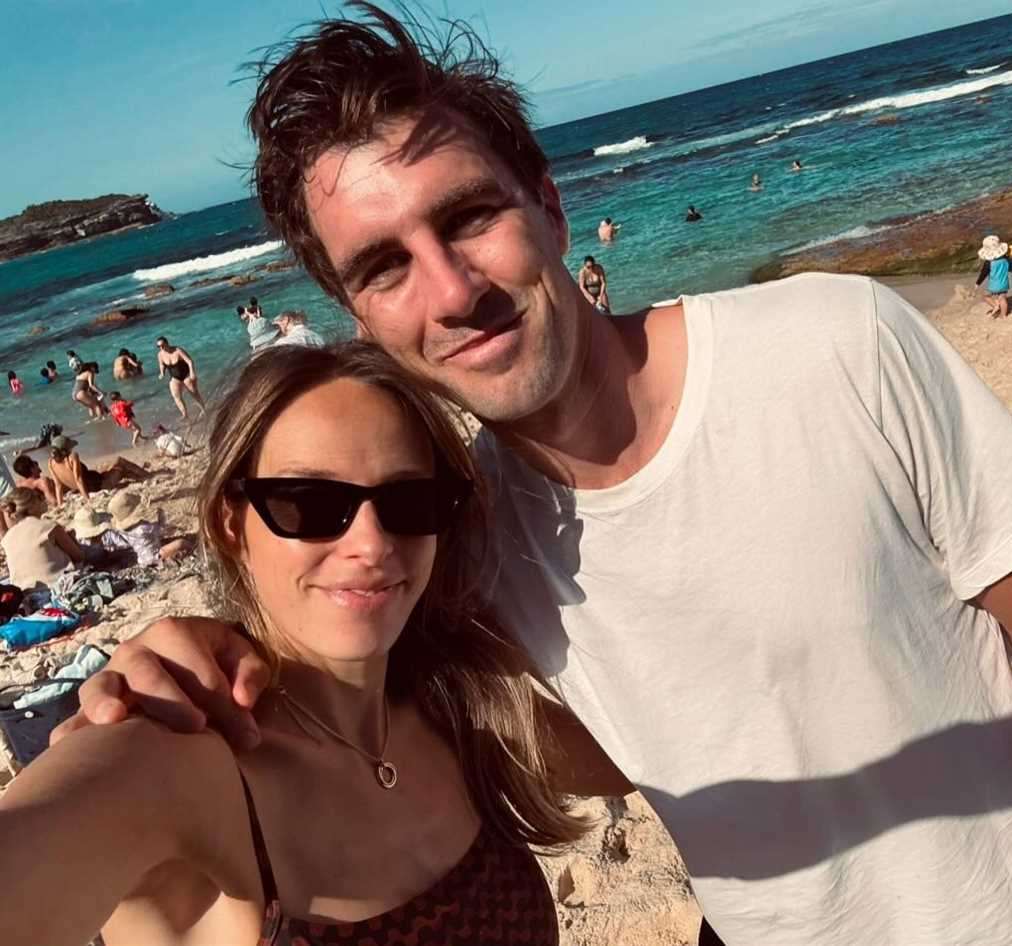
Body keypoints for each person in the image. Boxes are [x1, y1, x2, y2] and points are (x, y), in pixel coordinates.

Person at [64, 8, 1012, 945]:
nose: (449, 290)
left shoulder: (836, 342)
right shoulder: (453, 531)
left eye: (468, 216)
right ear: (360, 315)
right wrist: (216, 665)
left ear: (548, 204)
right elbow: (578, 740)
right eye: (384, 265)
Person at [0, 342, 590, 946]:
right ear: (231, 524)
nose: (373, 544)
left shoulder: (461, 712)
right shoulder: (185, 758)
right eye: (310, 503)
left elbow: (643, 760)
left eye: (409, 501)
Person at [0, 487, 85, 590]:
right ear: (31, 506)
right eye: (39, 497)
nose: (43, 499)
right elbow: (79, 556)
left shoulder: (8, 537)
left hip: (24, 592)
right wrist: (72, 539)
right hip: (55, 586)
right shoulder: (49, 526)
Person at [99, 489, 193, 567]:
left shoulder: (123, 530)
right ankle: (194, 546)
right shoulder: (143, 528)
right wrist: (161, 516)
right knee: (180, 542)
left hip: (142, 559)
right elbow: (162, 530)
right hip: (156, 556)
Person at [47, 435, 149, 501]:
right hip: (100, 485)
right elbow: (78, 479)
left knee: (110, 466)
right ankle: (148, 475)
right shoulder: (72, 457)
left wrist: (60, 505)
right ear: (66, 449)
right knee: (120, 461)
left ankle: (141, 477)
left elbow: (58, 485)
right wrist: (87, 500)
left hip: (91, 484)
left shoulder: (51, 463)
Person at [155, 336, 207, 420]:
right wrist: (162, 373)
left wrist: (192, 373)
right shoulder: (160, 355)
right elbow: (161, 364)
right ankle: (185, 415)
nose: (161, 348)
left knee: (194, 393)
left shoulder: (178, 351)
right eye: (159, 346)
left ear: (167, 343)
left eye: (163, 345)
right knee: (176, 396)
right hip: (175, 377)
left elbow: (189, 361)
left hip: (186, 375)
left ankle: (203, 409)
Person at [976, 234, 1012, 319]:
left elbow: (983, 273)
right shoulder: (1006, 260)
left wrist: (977, 283)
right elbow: (1011, 267)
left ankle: (995, 306)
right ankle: (1004, 315)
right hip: (1004, 284)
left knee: (985, 296)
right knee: (1002, 298)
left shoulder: (989, 263)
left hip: (994, 285)